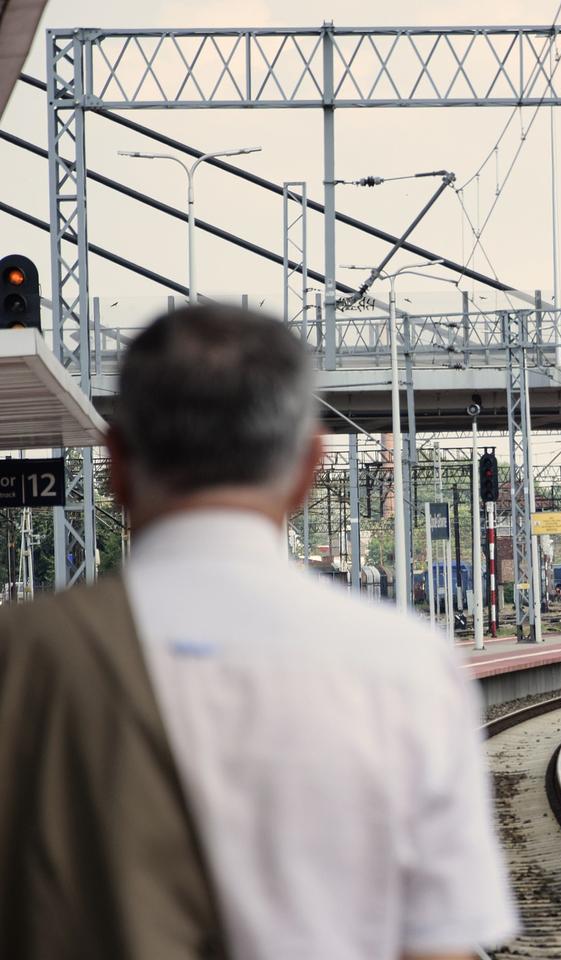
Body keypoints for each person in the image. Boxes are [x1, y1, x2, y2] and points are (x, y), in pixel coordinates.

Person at [0, 305, 518, 960]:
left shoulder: (21, 654)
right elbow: (438, 948)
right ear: (307, 468)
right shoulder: (408, 665)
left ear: (117, 464)